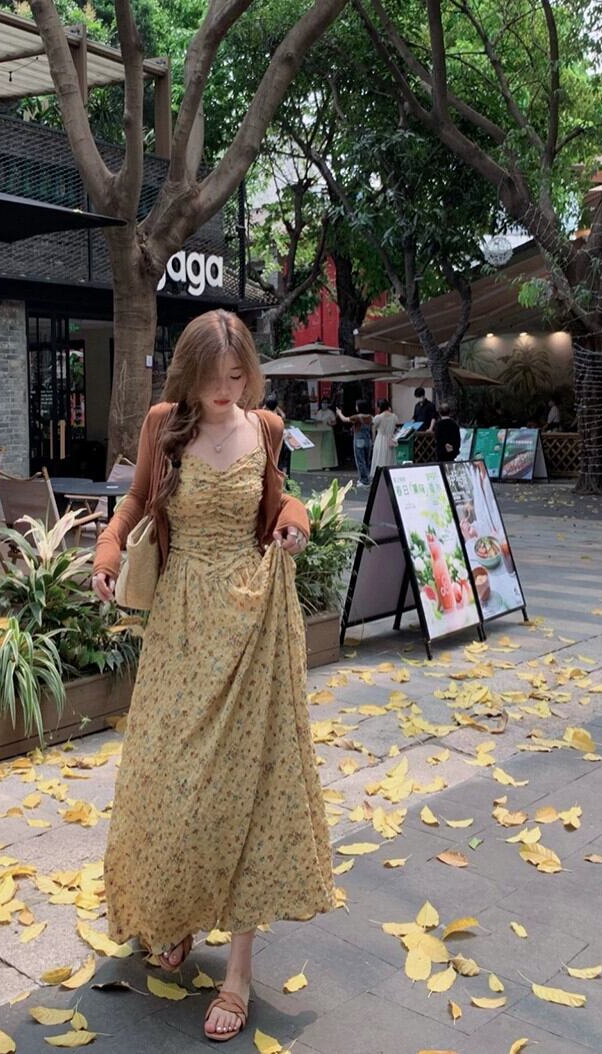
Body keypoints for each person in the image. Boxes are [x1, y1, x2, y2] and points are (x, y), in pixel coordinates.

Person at [91, 310, 335, 1044]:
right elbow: (137, 502)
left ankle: (238, 972)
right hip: (182, 624)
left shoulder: (265, 427)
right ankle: (177, 913)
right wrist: (107, 549)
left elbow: (279, 500)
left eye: (237, 376)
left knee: (247, 786)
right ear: (188, 375)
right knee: (169, 777)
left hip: (253, 617)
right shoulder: (164, 424)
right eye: (212, 378)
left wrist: (296, 520)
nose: (225, 391)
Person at [335, 399, 374, 485]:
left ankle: (364, 480)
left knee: (360, 461)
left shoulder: (357, 417)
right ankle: (367, 478)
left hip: (359, 440)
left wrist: (339, 413)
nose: (356, 407)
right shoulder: (370, 417)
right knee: (366, 460)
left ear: (359, 407)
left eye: (356, 405)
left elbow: (345, 419)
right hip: (368, 440)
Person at [370, 398, 399, 474]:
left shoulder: (378, 417)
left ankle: (379, 475)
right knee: (390, 458)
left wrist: (373, 440)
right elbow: (395, 427)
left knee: (380, 457)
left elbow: (373, 429)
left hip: (380, 439)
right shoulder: (394, 416)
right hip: (390, 439)